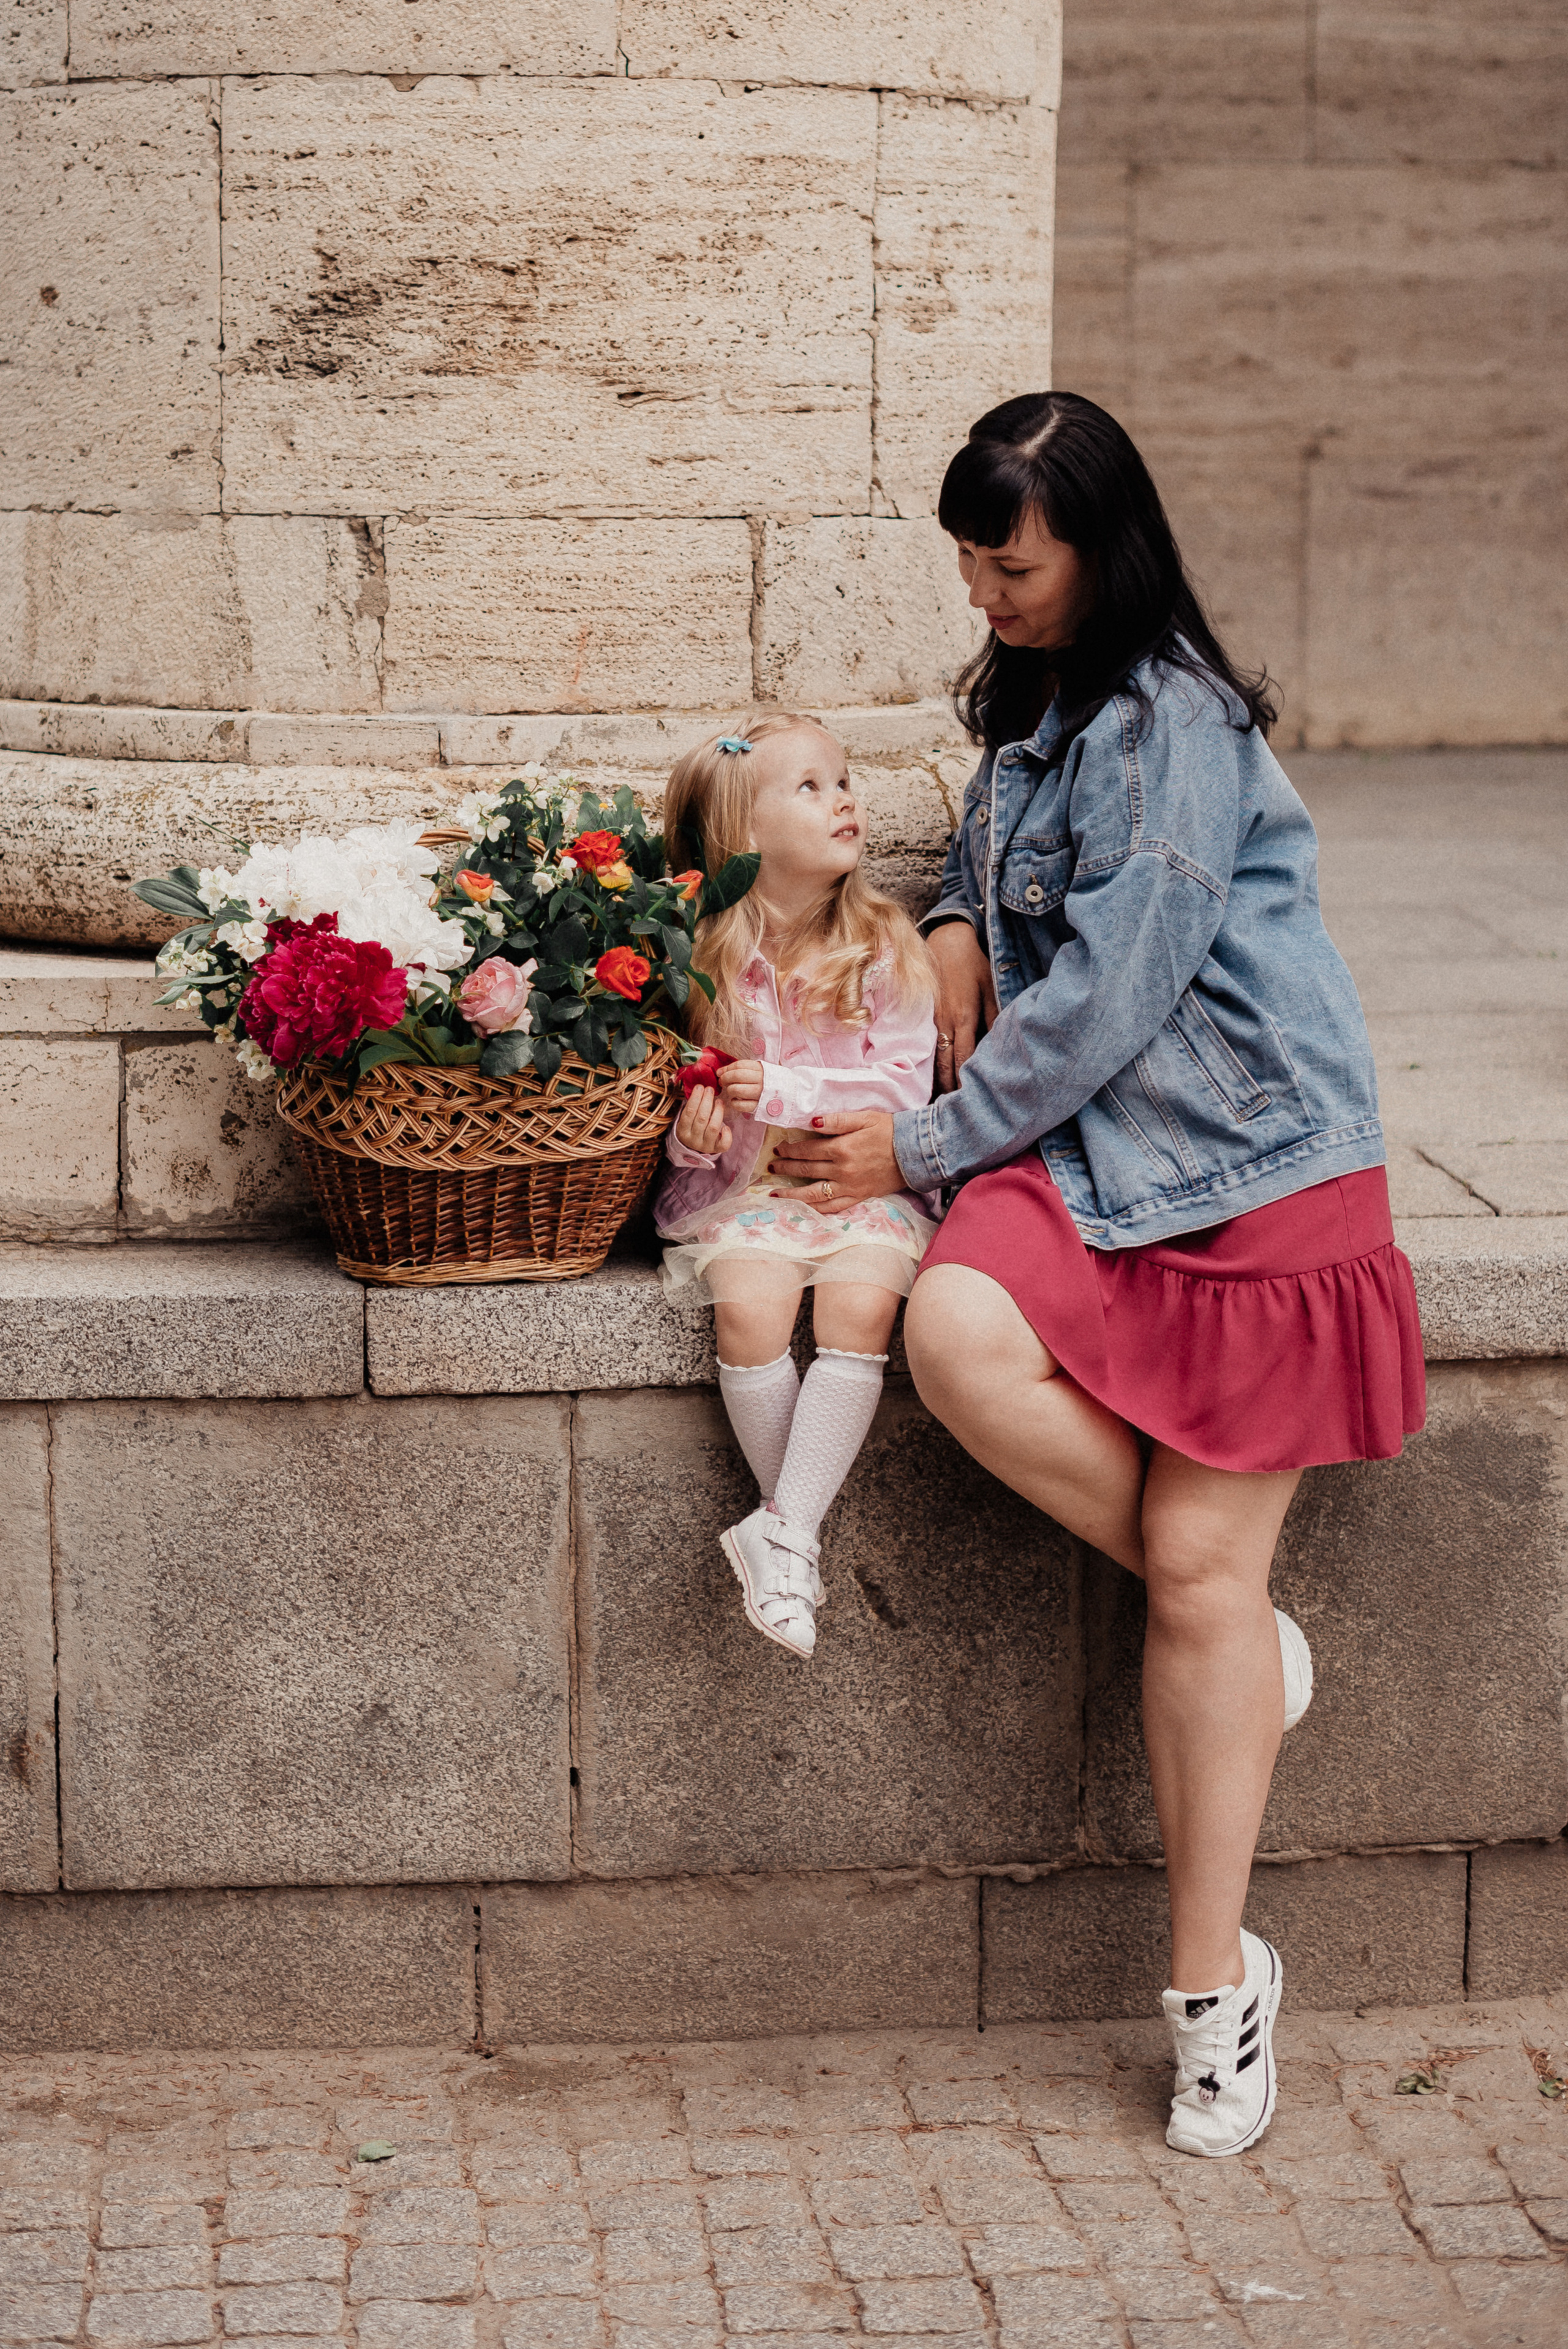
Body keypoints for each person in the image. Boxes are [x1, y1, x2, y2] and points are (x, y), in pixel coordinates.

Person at [767, 393, 1425, 2158]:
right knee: (957, 1329)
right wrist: (971, 914)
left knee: (1200, 1574)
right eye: (972, 559)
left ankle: (1215, 1987)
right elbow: (1003, 857)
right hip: (1084, 1160)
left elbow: (1124, 984)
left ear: (1100, 548)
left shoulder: (1181, 721)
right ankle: (1238, 1634)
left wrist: (920, 1146)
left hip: (1249, 1158)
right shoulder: (1043, 704)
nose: (985, 590)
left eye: (1015, 561)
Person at [655, 711, 939, 1661]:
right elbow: (685, 1109)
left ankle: (784, 1530)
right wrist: (697, 1138)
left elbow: (908, 1086)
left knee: (861, 1305)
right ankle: (793, 1538)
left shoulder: (888, 944)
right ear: (744, 836)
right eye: (810, 786)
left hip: (867, 1189)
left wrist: (787, 1088)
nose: (845, 798)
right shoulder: (705, 960)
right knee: (751, 1309)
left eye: (845, 779)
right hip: (751, 1197)